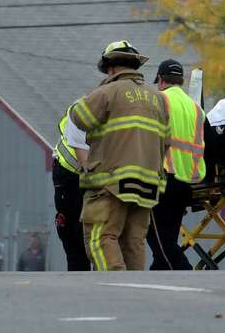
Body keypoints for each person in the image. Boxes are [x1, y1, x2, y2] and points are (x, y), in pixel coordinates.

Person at [67, 39, 170, 271]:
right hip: (148, 184)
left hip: (110, 182)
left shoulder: (106, 92)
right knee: (133, 242)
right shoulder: (158, 99)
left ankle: (116, 287)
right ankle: (136, 293)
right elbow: (167, 141)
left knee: (100, 237)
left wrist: (95, 92)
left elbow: (79, 118)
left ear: (111, 68)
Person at [146, 59, 205, 270]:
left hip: (163, 177)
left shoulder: (159, 100)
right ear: (180, 80)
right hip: (187, 180)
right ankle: (158, 278)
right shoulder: (195, 108)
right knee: (167, 238)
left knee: (158, 239)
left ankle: (185, 274)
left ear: (160, 80)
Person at [52, 106, 91, 270]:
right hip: (73, 176)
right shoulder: (86, 108)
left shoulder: (82, 107)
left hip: (72, 175)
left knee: (75, 236)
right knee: (76, 233)